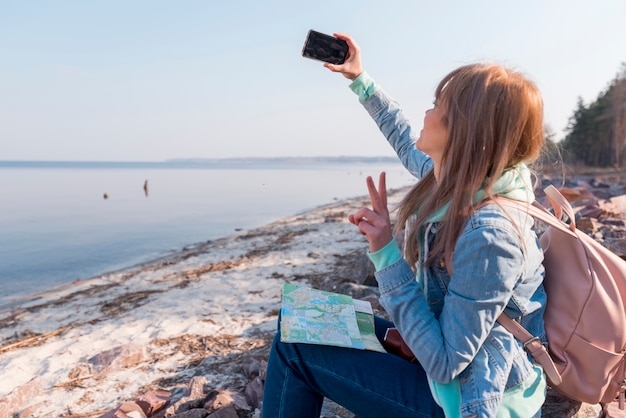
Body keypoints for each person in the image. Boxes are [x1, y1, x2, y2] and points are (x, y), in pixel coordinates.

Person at [262, 33, 547, 418]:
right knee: (298, 320)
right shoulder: (464, 183)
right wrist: (359, 78)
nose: (426, 115)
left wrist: (385, 252)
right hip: (453, 366)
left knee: (294, 348)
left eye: (436, 107)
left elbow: (446, 363)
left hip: (468, 399)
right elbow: (402, 137)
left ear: (464, 132)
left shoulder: (491, 236)